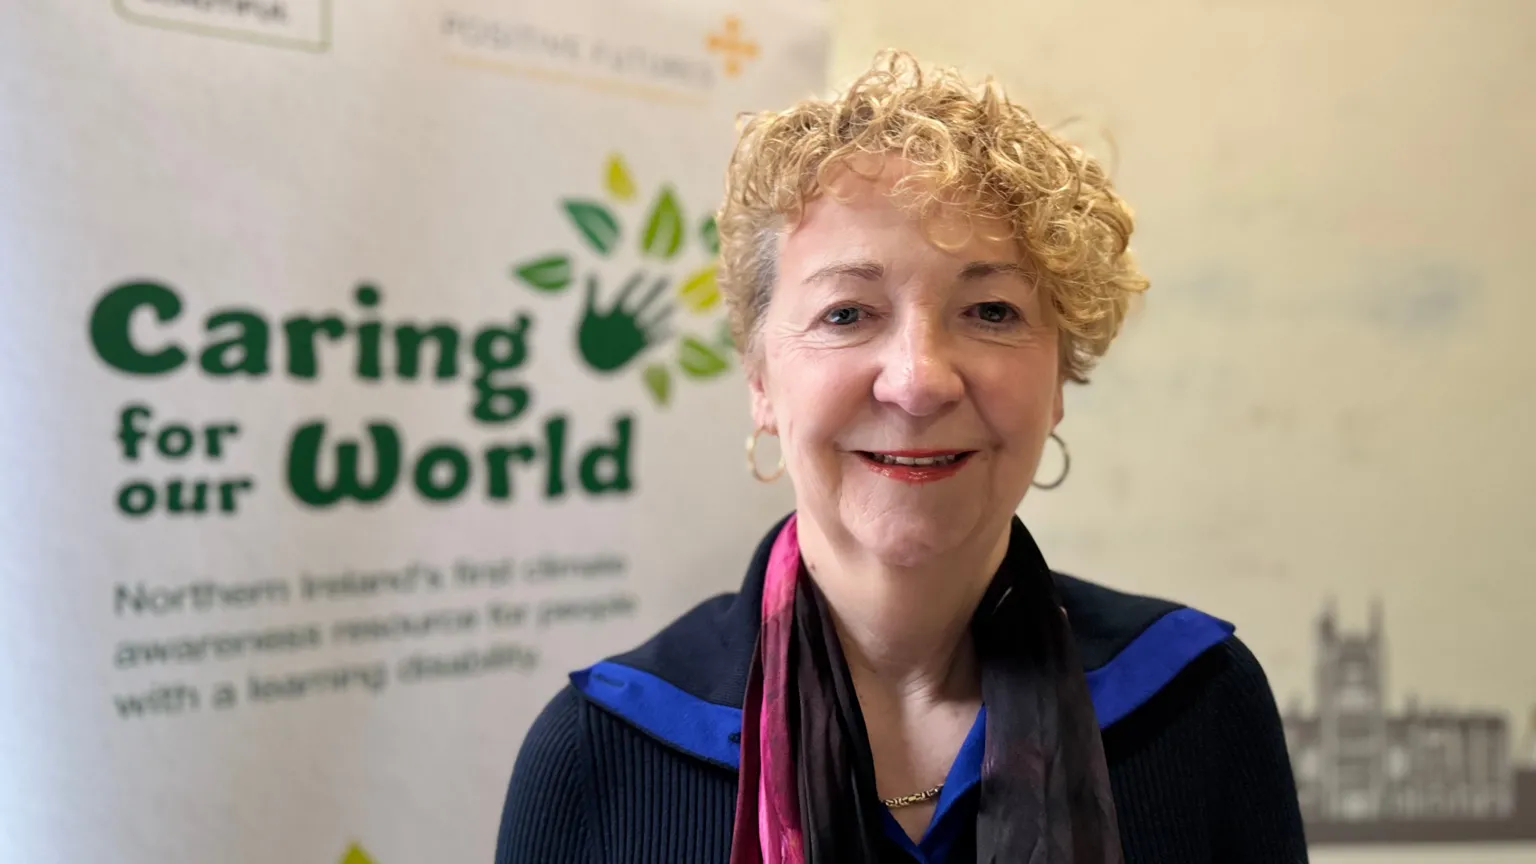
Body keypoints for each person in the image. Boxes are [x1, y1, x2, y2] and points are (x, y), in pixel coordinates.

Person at [495, 50, 1307, 864]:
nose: (919, 381)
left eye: (990, 310)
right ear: (760, 380)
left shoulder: (1199, 705)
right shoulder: (597, 758)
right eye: (847, 314)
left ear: (1060, 377)